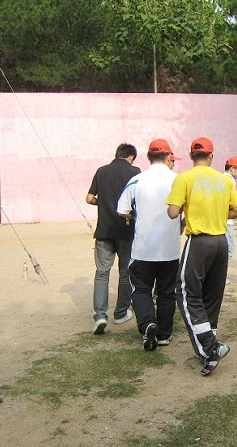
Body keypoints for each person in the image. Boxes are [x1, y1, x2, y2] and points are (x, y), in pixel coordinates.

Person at [166, 137, 237, 376]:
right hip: (220, 241)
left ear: (191, 156)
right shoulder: (224, 180)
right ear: (211, 156)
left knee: (186, 292)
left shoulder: (184, 178)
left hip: (199, 242)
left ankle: (211, 347)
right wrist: (217, 213)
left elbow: (172, 212)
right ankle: (210, 342)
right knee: (212, 294)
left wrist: (186, 206)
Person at [117, 139, 182, 351]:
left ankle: (147, 324)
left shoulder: (137, 180)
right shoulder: (178, 180)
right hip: (170, 250)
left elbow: (122, 210)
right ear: (169, 156)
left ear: (148, 157)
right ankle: (164, 333)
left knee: (141, 289)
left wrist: (137, 215)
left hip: (143, 249)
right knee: (166, 292)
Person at [86, 143, 141, 334]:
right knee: (125, 272)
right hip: (126, 230)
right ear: (131, 157)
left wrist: (104, 203)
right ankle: (120, 312)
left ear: (117, 154)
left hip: (104, 230)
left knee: (102, 272)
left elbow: (89, 198)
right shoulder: (135, 172)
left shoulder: (101, 171)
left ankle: (100, 315)